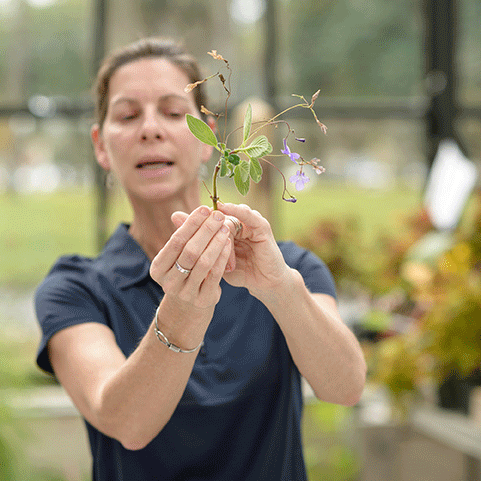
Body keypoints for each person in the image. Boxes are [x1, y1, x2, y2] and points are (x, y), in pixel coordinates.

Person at [35, 37, 366, 481]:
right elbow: (125, 423)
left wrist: (279, 288)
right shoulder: (77, 288)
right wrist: (183, 310)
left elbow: (345, 386)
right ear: (100, 145)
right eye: (128, 115)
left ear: (207, 137)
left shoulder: (288, 268)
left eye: (174, 113)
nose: (150, 129)